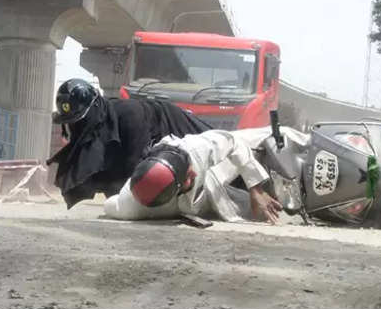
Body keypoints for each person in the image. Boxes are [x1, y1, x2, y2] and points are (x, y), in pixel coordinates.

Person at [47, 79, 211, 208]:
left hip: (181, 128)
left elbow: (134, 165)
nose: (76, 127)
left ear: (94, 107)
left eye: (80, 120)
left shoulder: (130, 115)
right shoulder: (100, 122)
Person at [103, 126, 310, 224]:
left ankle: (317, 144)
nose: (192, 172)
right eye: (188, 178)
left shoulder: (193, 150)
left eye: (188, 167)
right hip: (208, 199)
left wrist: (255, 188)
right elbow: (110, 205)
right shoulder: (129, 208)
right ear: (172, 195)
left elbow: (233, 143)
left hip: (216, 164)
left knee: (277, 133)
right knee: (269, 213)